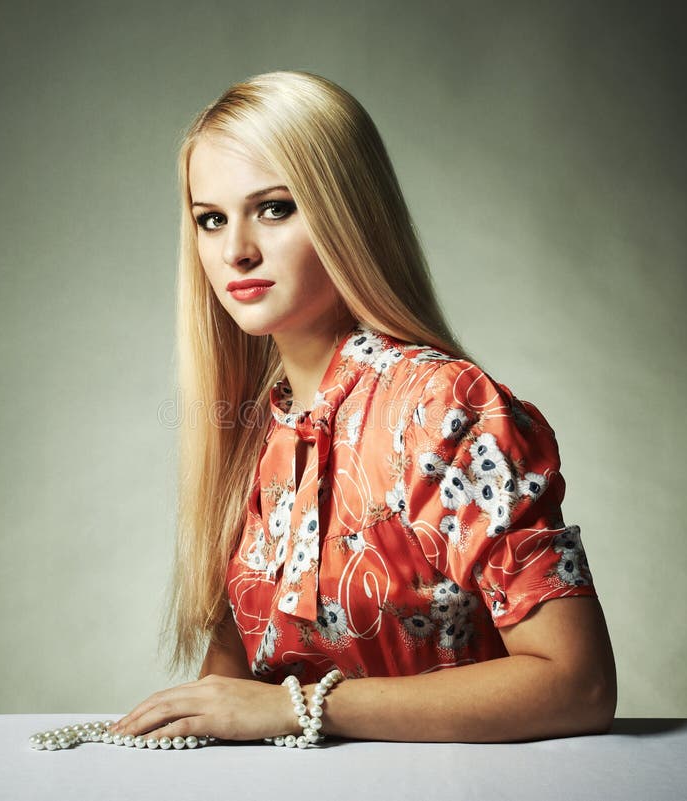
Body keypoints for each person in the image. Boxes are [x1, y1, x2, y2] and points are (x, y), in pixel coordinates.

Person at [109, 70, 616, 746]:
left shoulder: (445, 406)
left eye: (276, 207)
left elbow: (579, 683)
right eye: (211, 219)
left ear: (347, 210)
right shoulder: (253, 430)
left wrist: (303, 707)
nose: (237, 250)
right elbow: (232, 692)